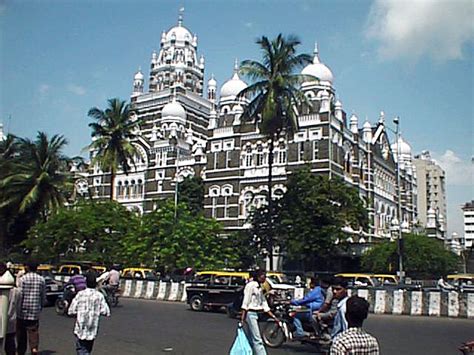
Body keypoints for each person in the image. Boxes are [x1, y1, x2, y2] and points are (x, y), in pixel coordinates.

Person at [68, 272, 110, 354]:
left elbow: (71, 310)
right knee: (87, 349)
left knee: (81, 349)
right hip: (92, 328)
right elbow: (106, 311)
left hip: (81, 326)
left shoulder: (80, 294)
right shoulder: (99, 296)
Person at [241, 269, 279, 355]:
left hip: (257, 313)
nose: (265, 278)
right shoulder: (250, 285)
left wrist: (273, 316)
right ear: (258, 276)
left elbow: (263, 302)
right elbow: (245, 302)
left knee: (251, 338)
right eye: (263, 276)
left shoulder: (260, 287)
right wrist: (242, 318)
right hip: (250, 313)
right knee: (257, 339)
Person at [16, 261, 46, 355]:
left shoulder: (23, 279)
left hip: (22, 310)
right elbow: (43, 295)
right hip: (34, 310)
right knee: (33, 331)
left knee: (21, 333)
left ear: (27, 267)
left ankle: (21, 351)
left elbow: (19, 295)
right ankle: (34, 348)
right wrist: (40, 306)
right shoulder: (41, 279)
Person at [0, 262, 21, 355]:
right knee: (10, 343)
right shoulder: (17, 291)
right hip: (11, 320)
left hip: (4, 321)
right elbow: (18, 305)